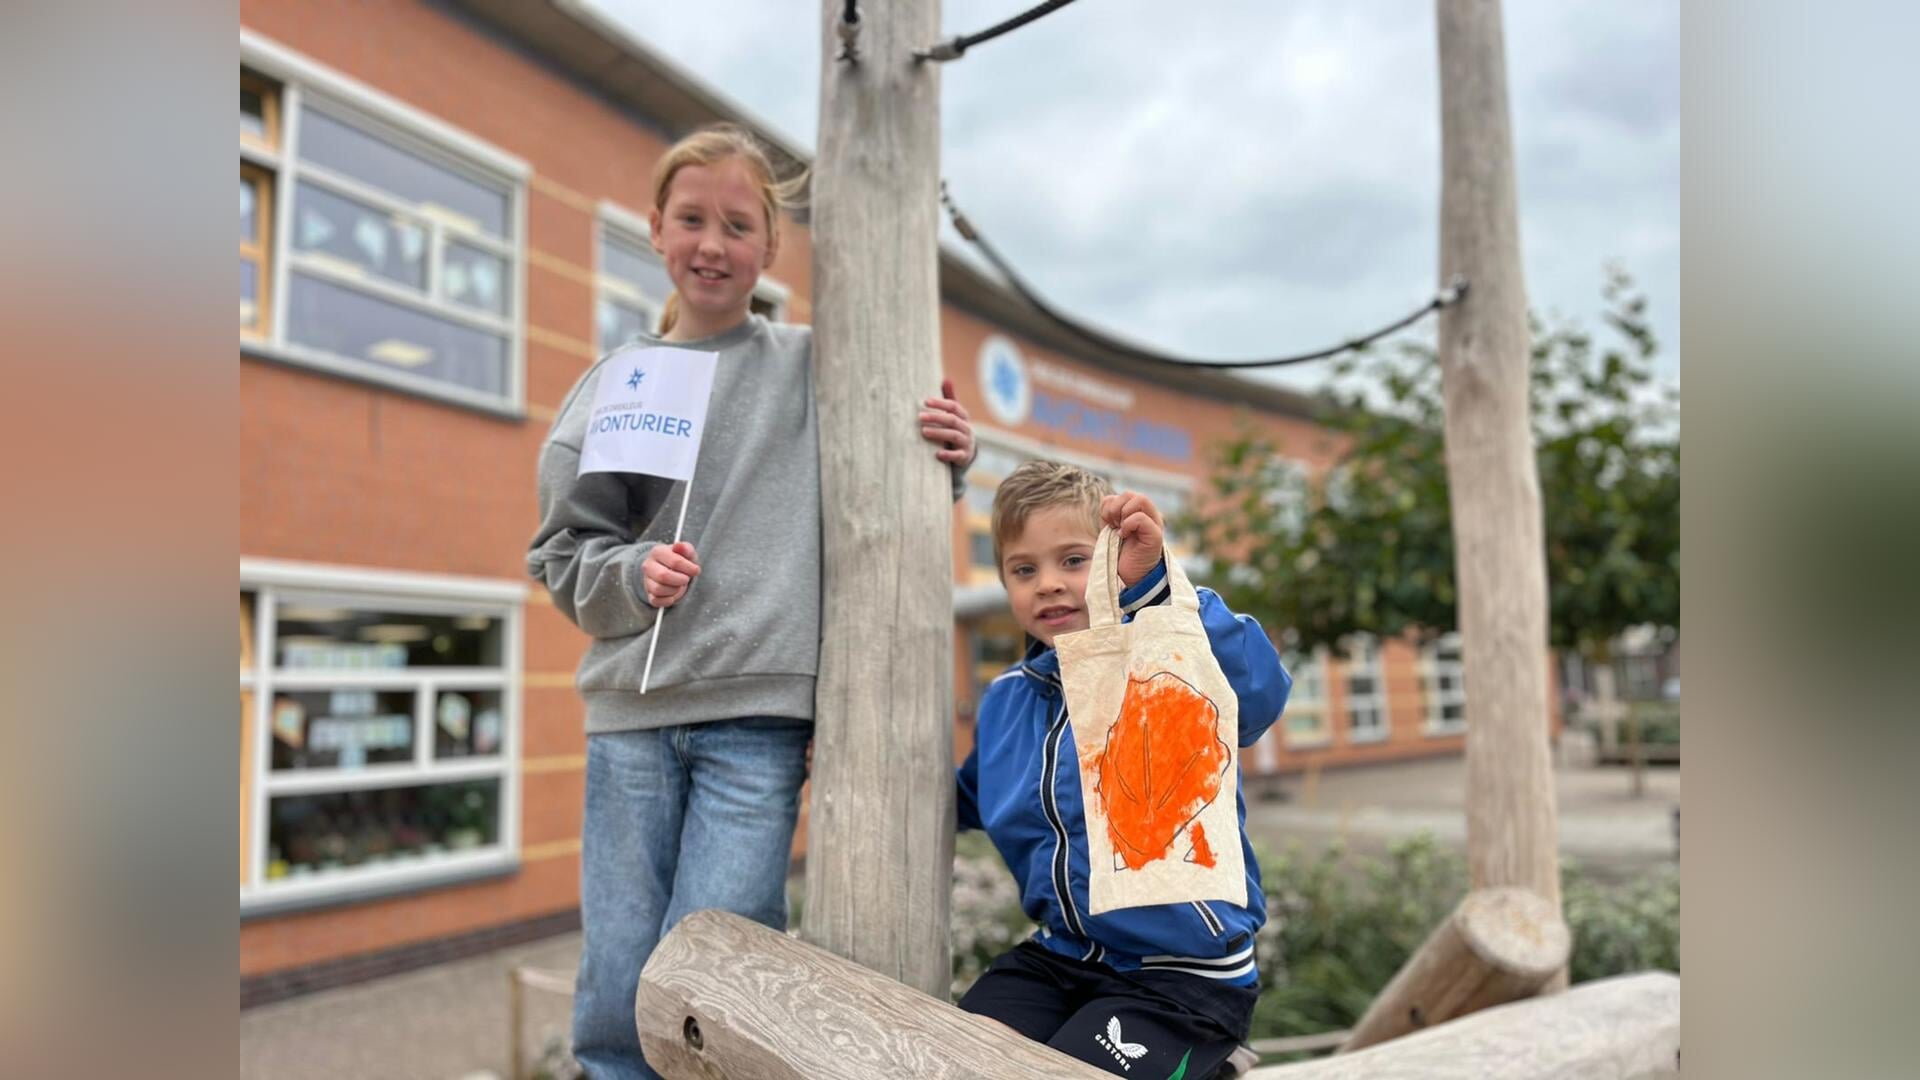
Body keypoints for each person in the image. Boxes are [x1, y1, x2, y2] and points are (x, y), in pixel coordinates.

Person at [527, 123, 975, 1080]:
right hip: (632, 721)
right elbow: (565, 552)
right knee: (618, 969)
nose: (712, 244)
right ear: (655, 229)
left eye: (738, 225)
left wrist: (947, 454)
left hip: (755, 723)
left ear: (771, 248)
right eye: (691, 219)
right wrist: (629, 579)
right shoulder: (618, 385)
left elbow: (893, 481)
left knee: (721, 969)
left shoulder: (822, 367)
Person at [956, 461, 1289, 1080]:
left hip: (1182, 973)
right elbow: (975, 795)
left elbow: (1258, 695)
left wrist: (1155, 590)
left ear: (1113, 561)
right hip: (1063, 955)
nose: (1048, 583)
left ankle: (1205, 1061)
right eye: (1024, 569)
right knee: (954, 1052)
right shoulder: (1006, 699)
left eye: (1073, 560)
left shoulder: (1166, 659)